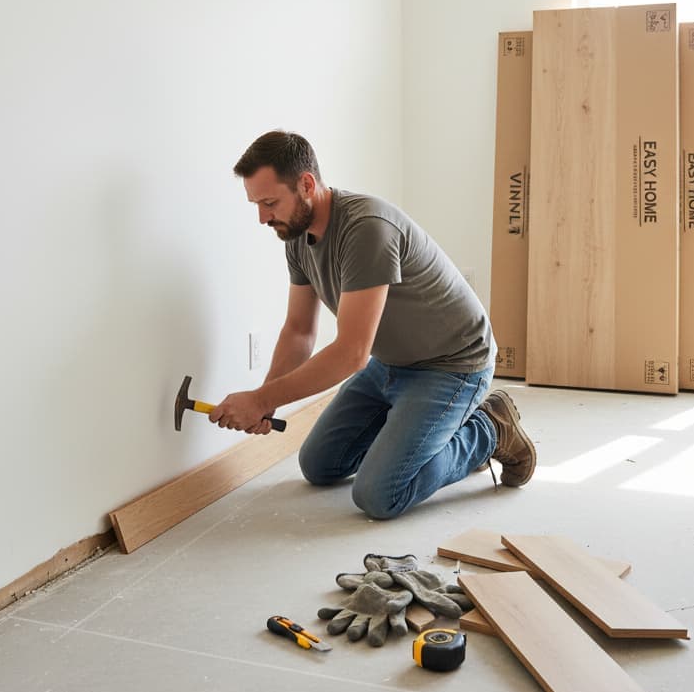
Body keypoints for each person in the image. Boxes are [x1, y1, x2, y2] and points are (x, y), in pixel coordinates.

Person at [209, 130, 536, 520]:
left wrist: (259, 400)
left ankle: (489, 429)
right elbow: (299, 331)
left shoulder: (366, 228)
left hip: (452, 366)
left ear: (307, 185)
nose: (263, 218)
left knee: (379, 494)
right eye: (257, 205)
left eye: (269, 202)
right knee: (319, 465)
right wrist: (268, 400)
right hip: (390, 363)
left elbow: (351, 352)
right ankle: (412, 435)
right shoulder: (296, 237)